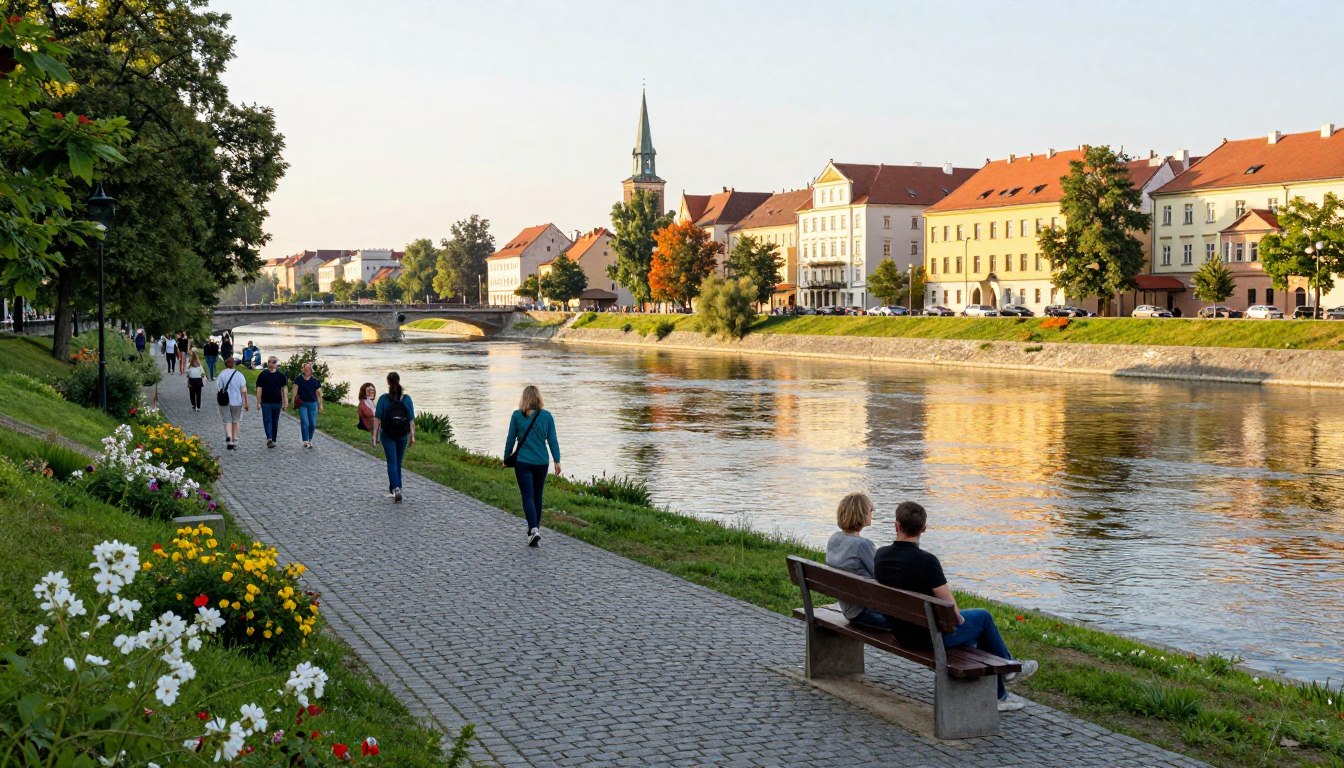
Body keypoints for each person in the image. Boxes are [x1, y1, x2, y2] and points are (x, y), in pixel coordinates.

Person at [873, 501, 1039, 712]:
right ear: (924, 528)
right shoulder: (927, 561)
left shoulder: (881, 555)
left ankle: (1001, 688)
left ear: (896, 525)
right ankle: (1008, 669)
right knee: (983, 618)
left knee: (974, 635)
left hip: (900, 632)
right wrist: (960, 621)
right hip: (927, 638)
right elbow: (952, 613)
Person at [504, 385, 561, 547]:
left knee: (528, 496)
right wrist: (557, 460)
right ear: (539, 399)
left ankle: (533, 529)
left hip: (523, 463)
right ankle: (535, 530)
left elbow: (510, 439)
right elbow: (553, 440)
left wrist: (506, 458)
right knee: (537, 496)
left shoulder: (517, 416)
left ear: (524, 398)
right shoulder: (547, 416)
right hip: (542, 462)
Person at [824, 493, 888, 630]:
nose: (872, 513)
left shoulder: (834, 539)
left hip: (849, 609)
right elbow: (883, 578)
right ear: (862, 515)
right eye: (870, 510)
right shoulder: (863, 545)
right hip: (867, 612)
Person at [372, 372, 415, 502]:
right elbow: (411, 420)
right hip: (402, 435)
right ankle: (397, 489)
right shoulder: (406, 399)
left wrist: (375, 437)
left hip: (388, 435)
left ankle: (395, 488)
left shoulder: (383, 399)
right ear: (399, 380)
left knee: (391, 462)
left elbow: (377, 419)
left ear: (388, 382)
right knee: (398, 462)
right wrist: (412, 436)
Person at [254, 355, 289, 448]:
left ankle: (273, 438)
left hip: (277, 402)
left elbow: (284, 390)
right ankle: (269, 438)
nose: (271, 363)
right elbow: (259, 388)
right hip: (266, 402)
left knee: (275, 421)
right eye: (269, 361)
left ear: (277, 364)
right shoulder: (263, 375)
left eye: (273, 361)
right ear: (268, 363)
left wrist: (285, 402)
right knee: (267, 420)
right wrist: (258, 401)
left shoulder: (281, 376)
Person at [215, 357, 249, 450]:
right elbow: (243, 390)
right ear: (234, 364)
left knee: (227, 420)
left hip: (224, 401)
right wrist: (246, 403)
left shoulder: (222, 375)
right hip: (237, 401)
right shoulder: (240, 375)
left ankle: (229, 438)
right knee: (236, 421)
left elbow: (219, 388)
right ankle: (234, 439)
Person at [291, 362, 323, 449]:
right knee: (305, 423)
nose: (307, 370)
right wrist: (293, 402)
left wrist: (320, 405)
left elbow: (319, 394)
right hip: (302, 404)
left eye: (309, 368)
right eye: (306, 368)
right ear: (303, 369)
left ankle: (310, 439)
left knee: (312, 424)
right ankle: (305, 441)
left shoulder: (315, 381)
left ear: (311, 370)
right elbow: (294, 391)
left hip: (313, 404)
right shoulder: (298, 379)